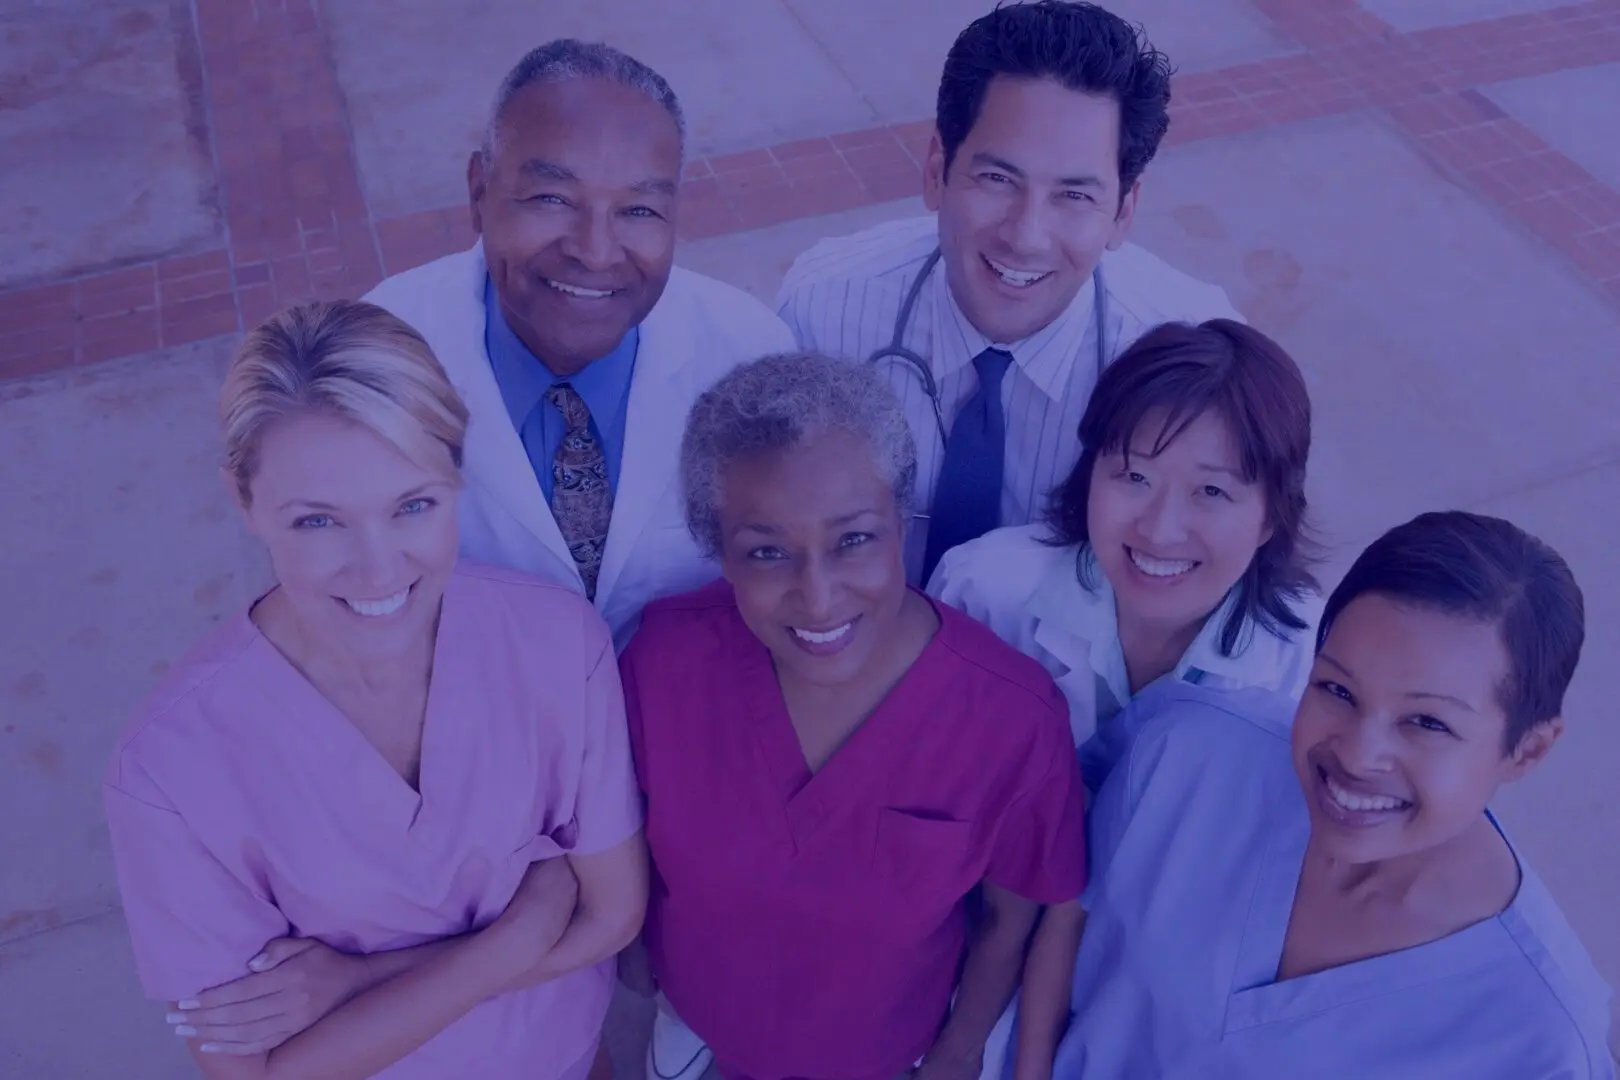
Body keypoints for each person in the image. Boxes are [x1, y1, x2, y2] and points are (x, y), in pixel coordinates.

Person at [101, 301, 647, 1080]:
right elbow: (258, 1073)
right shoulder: (169, 774)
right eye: (318, 522)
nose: (380, 568)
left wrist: (355, 981)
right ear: (243, 500)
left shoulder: (558, 644)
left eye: (413, 506)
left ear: (457, 475)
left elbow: (614, 914)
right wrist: (516, 936)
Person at [617, 352, 1089, 1080]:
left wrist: (960, 1048)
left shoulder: (1012, 721)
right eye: (767, 552)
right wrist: (637, 953)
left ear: (903, 520)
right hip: (695, 1017)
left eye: (854, 539)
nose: (818, 595)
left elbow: (1010, 916)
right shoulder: (665, 663)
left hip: (878, 1055)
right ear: (719, 552)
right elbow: (630, 832)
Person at [1018, 511, 1615, 1080]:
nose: (1356, 755)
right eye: (1336, 688)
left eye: (1428, 723)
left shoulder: (1545, 1042)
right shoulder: (1186, 749)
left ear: (1528, 750)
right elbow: (1067, 913)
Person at [775, 1, 1243, 586]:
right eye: (998, 179)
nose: (1025, 236)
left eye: (1074, 196)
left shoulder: (1193, 362)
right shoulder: (824, 311)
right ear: (935, 170)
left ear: (1125, 210)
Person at [363, 39, 796, 649]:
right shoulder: (376, 360)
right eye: (551, 199)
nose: (595, 251)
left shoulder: (750, 354)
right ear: (478, 191)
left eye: (639, 210)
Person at [929, 319, 1320, 790]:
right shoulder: (980, 591)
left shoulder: (1310, 666)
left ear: (1272, 516)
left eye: (1211, 491)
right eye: (1135, 477)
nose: (1160, 529)